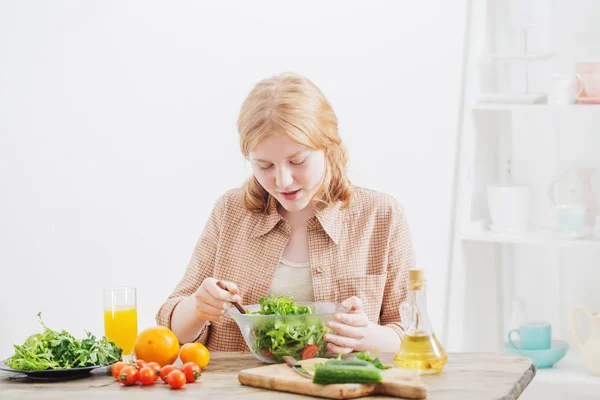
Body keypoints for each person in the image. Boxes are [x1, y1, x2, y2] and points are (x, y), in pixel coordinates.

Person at [156, 72, 415, 355]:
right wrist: (197, 306)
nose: (283, 181)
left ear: (328, 147)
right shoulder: (230, 211)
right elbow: (171, 330)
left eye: (298, 161)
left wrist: (365, 335)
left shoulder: (381, 217)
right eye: (264, 165)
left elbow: (412, 335)